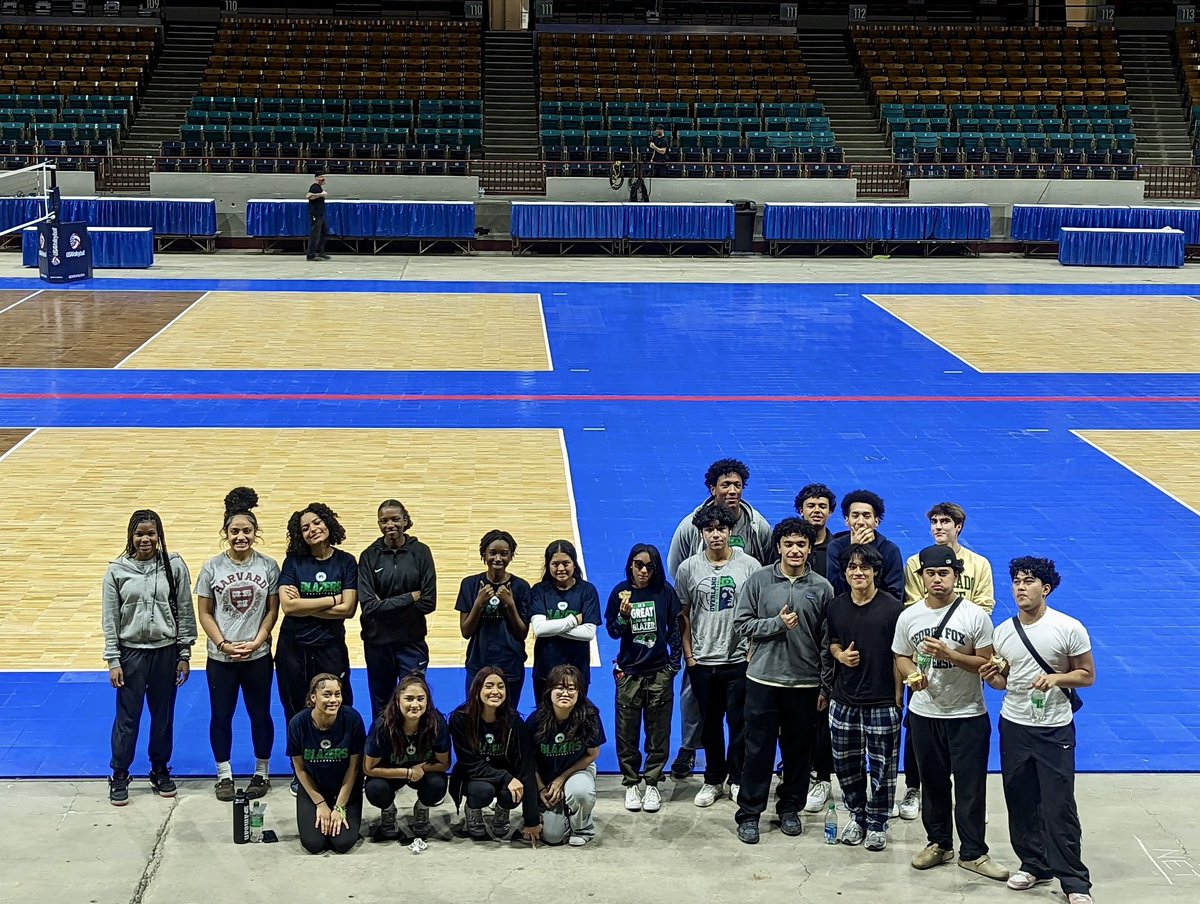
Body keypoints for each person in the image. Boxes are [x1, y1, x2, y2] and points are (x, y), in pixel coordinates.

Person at [981, 557, 1095, 904]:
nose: (1020, 587)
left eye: (1028, 581)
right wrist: (992, 677)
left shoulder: (1068, 627)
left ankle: (1074, 881)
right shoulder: (1002, 632)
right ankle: (1034, 863)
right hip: (1014, 725)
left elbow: (1087, 675)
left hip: (1054, 730)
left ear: (1045, 588)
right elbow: (1004, 681)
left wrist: (1056, 678)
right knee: (1020, 799)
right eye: (1016, 580)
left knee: (1058, 805)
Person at [893, 545, 1008, 881]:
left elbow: (986, 664)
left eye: (944, 573)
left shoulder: (975, 616)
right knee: (933, 783)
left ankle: (974, 853)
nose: (937, 579)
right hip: (924, 713)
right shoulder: (909, 616)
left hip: (967, 713)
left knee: (971, 787)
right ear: (922, 577)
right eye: (931, 573)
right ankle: (939, 843)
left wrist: (949, 653)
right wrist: (912, 674)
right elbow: (901, 655)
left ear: (956, 576)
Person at [667, 458, 772, 780]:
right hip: (702, 632)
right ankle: (689, 746)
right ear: (712, 489)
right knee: (694, 697)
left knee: (739, 714)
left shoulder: (758, 527)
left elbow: (765, 572)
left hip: (739, 643)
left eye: (737, 485)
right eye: (725, 485)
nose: (732, 490)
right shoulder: (689, 526)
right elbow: (677, 572)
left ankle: (737, 771)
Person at [732, 518, 834, 844]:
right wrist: (776, 624)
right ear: (778, 547)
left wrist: (825, 685)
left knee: (798, 754)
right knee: (757, 752)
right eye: (788, 544)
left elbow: (826, 640)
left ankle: (790, 808)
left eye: (801, 545)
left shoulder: (822, 587)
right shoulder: (759, 581)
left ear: (809, 549)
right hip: (763, 681)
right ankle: (749, 814)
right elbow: (742, 625)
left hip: (804, 685)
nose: (794, 550)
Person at [899, 501, 996, 821]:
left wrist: (958, 623)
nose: (939, 527)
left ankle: (968, 824)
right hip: (925, 652)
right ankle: (915, 787)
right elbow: (914, 602)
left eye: (946, 522)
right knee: (918, 727)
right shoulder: (917, 561)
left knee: (963, 726)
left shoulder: (979, 564)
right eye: (935, 522)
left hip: (966, 647)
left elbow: (985, 605)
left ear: (959, 527)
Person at [102, 509, 196, 806]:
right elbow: (110, 619)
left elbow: (184, 609)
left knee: (163, 717)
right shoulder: (116, 570)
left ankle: (159, 769)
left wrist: (184, 652)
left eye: (151, 534)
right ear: (131, 535)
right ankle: (119, 773)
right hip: (131, 655)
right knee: (127, 719)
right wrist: (113, 660)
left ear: (159, 536)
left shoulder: (174, 566)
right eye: (140, 533)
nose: (145, 539)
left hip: (165, 653)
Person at [195, 487, 280, 801]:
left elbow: (273, 609)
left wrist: (260, 639)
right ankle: (224, 775)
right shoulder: (212, 567)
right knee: (221, 716)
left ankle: (262, 772)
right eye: (234, 531)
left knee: (260, 714)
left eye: (246, 531)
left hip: (258, 656)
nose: (240, 536)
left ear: (255, 533)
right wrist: (223, 644)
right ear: (225, 533)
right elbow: (204, 612)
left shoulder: (269, 566)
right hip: (221, 659)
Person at [675, 503, 760, 807]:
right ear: (701, 533)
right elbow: (683, 614)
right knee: (709, 725)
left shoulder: (749, 566)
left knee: (739, 724)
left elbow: (757, 611)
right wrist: (689, 657)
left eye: (721, 529)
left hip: (737, 660)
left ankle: (736, 778)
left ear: (730, 531)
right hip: (702, 661)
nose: (715, 535)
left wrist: (750, 651)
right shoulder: (688, 568)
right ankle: (713, 779)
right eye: (709, 529)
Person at [276, 501, 359, 796]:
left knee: (338, 704)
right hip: (292, 649)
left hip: (330, 648)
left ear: (328, 523)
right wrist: (330, 600)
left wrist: (306, 606)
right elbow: (288, 606)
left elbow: (349, 609)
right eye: (305, 528)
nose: (312, 530)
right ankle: (301, 772)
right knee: (295, 710)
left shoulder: (347, 562)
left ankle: (341, 766)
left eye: (316, 523)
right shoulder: (294, 562)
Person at [826, 544, 904, 851]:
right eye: (852, 568)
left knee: (883, 767)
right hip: (843, 700)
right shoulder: (835, 606)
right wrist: (840, 656)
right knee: (846, 765)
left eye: (864, 568)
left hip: (882, 702)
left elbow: (901, 654)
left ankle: (877, 822)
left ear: (875, 572)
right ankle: (857, 816)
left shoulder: (893, 609)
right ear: (845, 573)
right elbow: (832, 642)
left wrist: (898, 696)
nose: (858, 573)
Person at [603, 543, 681, 813]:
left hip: (659, 673)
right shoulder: (620, 593)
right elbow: (613, 632)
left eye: (650, 565)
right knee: (626, 733)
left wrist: (674, 666)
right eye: (639, 564)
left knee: (658, 733)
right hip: (630, 674)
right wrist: (624, 617)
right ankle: (631, 783)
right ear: (630, 565)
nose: (644, 570)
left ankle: (653, 783)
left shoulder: (665, 592)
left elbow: (675, 628)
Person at [358, 499, 437, 722]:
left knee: (414, 700)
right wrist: (410, 597)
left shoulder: (421, 552)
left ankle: (415, 750)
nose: (389, 524)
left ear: (405, 520)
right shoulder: (368, 556)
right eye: (383, 521)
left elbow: (429, 603)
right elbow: (369, 607)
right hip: (377, 644)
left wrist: (385, 605)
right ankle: (382, 752)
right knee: (381, 704)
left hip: (411, 642)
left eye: (394, 519)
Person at [449, 667, 541, 845]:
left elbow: (526, 768)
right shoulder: (460, 719)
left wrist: (532, 821)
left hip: (503, 775)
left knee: (513, 793)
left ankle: (502, 809)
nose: (495, 692)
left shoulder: (515, 723)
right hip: (473, 776)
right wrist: (506, 778)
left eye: (501, 687)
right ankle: (473, 810)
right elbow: (470, 764)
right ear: (477, 689)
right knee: (483, 791)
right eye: (489, 686)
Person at [794, 482, 839, 813]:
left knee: (822, 711)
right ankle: (798, 768)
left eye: (822, 505)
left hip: (829, 642)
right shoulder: (789, 544)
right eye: (811, 505)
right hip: (794, 642)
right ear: (801, 510)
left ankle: (822, 774)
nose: (817, 510)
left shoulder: (838, 549)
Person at [364, 673, 451, 842]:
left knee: (438, 783)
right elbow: (368, 768)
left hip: (422, 773)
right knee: (375, 788)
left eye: (420, 699)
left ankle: (422, 808)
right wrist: (407, 772)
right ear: (398, 701)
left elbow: (444, 763)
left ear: (427, 701)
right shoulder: (383, 725)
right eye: (409, 699)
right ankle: (388, 811)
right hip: (392, 773)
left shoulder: (437, 723)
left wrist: (421, 769)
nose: (415, 704)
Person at [286, 672, 365, 855]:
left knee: (342, 843)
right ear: (313, 697)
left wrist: (339, 807)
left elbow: (353, 769)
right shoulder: (298, 723)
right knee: (314, 844)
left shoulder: (352, 719)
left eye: (337, 694)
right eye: (327, 694)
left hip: (345, 788)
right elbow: (300, 769)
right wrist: (321, 804)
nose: (333, 700)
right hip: (314, 787)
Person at [527, 665, 606, 845]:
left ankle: (582, 827)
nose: (565, 693)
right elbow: (529, 761)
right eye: (559, 687)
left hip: (576, 770)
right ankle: (558, 809)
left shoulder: (589, 716)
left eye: (571, 688)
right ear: (549, 691)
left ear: (579, 692)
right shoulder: (536, 720)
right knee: (553, 837)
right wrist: (541, 789)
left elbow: (592, 754)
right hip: (546, 776)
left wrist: (562, 779)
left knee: (580, 792)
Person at [457, 529, 531, 710]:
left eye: (504, 554)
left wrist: (511, 605)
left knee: (508, 716)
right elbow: (466, 632)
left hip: (511, 666)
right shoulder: (469, 584)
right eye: (493, 553)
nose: (498, 559)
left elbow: (522, 633)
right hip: (478, 664)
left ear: (511, 556)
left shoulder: (521, 587)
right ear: (484, 554)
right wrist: (478, 603)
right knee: (475, 715)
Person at [528, 540, 601, 705]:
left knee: (575, 722)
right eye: (555, 564)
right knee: (544, 721)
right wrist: (573, 620)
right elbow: (539, 629)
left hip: (578, 673)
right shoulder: (539, 591)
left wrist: (551, 626)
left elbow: (588, 633)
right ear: (548, 565)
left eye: (566, 563)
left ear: (574, 564)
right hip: (544, 672)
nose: (561, 569)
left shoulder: (587, 591)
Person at [825, 489, 904, 599]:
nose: (861, 522)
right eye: (855, 515)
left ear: (876, 522)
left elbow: (895, 594)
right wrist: (852, 550)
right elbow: (835, 589)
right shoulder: (835, 547)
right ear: (847, 521)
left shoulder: (890, 550)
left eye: (866, 516)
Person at [305, 171, 330, 261]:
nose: (323, 179)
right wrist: (321, 195)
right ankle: (311, 254)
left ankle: (320, 251)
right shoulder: (314, 187)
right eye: (321, 177)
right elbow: (308, 196)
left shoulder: (319, 187)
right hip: (315, 214)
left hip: (320, 214)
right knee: (315, 235)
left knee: (325, 232)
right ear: (316, 178)